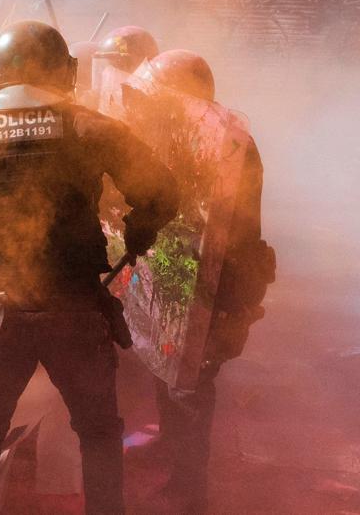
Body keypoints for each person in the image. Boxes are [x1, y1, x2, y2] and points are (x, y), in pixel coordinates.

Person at [0, 21, 179, 515]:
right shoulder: (91, 127)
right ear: (66, 71)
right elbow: (161, 191)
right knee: (97, 432)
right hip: (74, 310)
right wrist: (141, 234)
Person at [122, 50, 276, 513]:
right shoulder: (175, 136)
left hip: (216, 284)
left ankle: (189, 490)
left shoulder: (228, 145)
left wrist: (232, 303)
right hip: (176, 277)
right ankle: (172, 450)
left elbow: (230, 232)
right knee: (164, 364)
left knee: (189, 384)